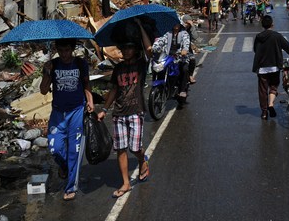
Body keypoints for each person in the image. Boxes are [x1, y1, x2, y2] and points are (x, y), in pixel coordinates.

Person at [98, 21, 152, 199]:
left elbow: (149, 49)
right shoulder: (119, 68)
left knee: (135, 147)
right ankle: (126, 183)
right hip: (119, 113)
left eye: (130, 48)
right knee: (121, 149)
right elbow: (114, 90)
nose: (127, 51)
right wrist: (105, 109)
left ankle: (141, 160)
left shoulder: (141, 65)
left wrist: (140, 26)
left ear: (135, 49)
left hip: (136, 111)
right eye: (124, 48)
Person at [40, 39, 94, 201]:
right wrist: (48, 72)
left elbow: (86, 84)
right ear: (56, 49)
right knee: (54, 148)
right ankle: (63, 166)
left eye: (67, 50)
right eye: (61, 50)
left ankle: (70, 186)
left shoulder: (80, 63)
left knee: (74, 151)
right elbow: (43, 91)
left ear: (72, 49)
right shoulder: (52, 65)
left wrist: (90, 100)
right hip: (58, 113)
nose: (64, 54)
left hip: (76, 111)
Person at [252, 15, 289, 120]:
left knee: (262, 90)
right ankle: (270, 104)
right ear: (272, 25)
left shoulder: (258, 37)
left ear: (262, 25)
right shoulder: (276, 36)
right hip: (274, 67)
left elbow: (255, 49)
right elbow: (287, 47)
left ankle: (264, 113)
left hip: (261, 68)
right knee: (273, 86)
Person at [151, 23, 192, 103]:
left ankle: (182, 90)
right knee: (158, 68)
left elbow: (186, 43)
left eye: (177, 23)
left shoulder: (184, 34)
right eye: (174, 23)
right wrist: (153, 47)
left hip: (180, 58)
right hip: (167, 57)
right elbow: (160, 41)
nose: (175, 25)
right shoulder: (167, 33)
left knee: (184, 69)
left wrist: (185, 50)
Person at [181, 15, 200, 83]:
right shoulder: (180, 28)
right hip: (179, 49)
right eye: (186, 23)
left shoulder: (190, 28)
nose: (187, 25)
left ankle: (190, 75)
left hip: (187, 48)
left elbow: (195, 37)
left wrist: (192, 26)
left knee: (192, 60)